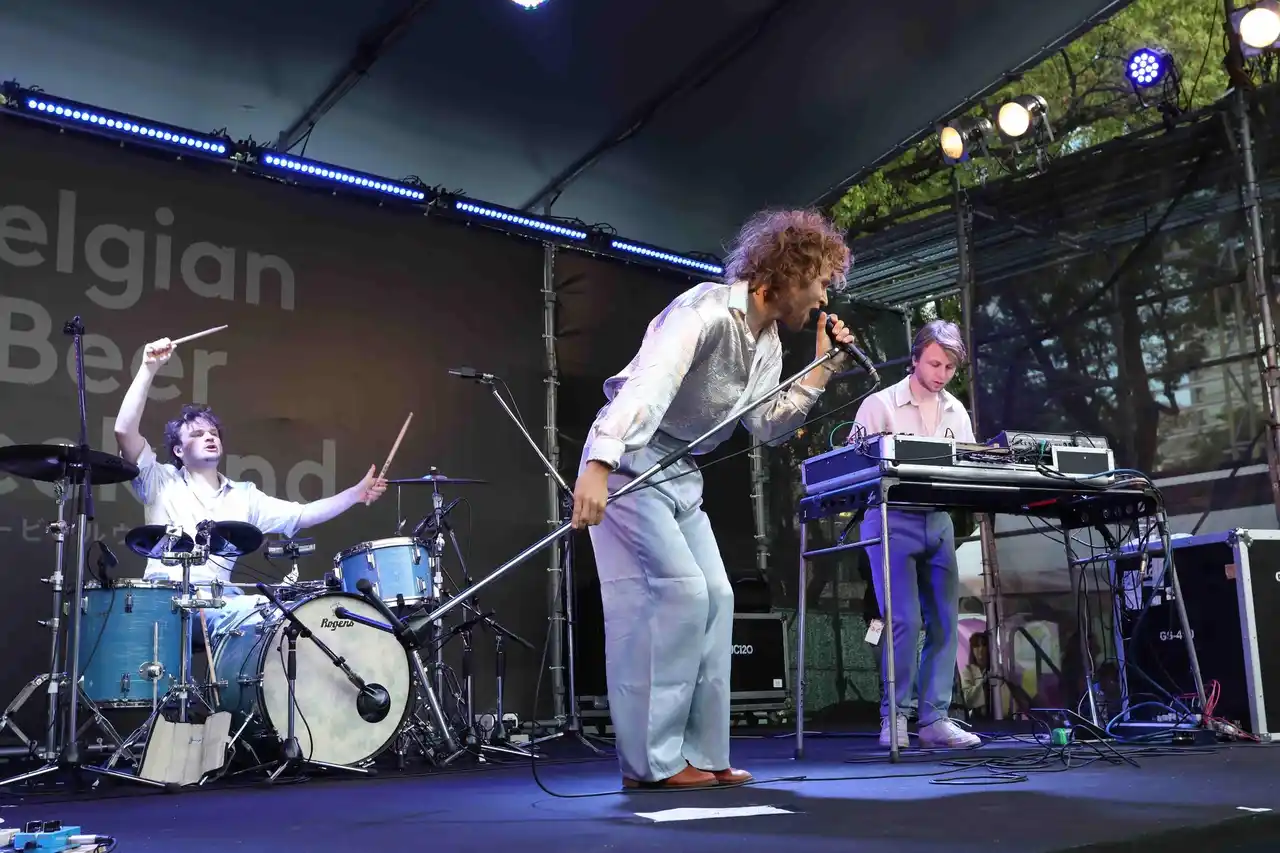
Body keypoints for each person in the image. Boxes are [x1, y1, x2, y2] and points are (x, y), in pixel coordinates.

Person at [571, 209, 857, 791]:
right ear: (789, 272)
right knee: (680, 593)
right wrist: (599, 464)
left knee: (719, 596)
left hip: (680, 471)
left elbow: (768, 424)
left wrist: (823, 367)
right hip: (631, 460)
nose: (825, 297)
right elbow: (649, 386)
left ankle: (704, 753)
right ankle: (652, 763)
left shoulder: (769, 343)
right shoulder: (703, 311)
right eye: (822, 281)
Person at [113, 336, 388, 639]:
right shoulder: (160, 481)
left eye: (213, 433)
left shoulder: (244, 495)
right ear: (178, 450)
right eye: (197, 434)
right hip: (164, 604)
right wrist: (148, 368)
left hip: (221, 605)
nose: (209, 437)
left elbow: (303, 514)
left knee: (278, 613)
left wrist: (355, 494)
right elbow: (124, 430)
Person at [850, 319, 983, 749]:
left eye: (949, 367)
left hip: (937, 519)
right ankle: (895, 717)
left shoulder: (956, 410)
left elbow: (968, 466)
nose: (942, 374)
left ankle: (934, 719)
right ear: (915, 359)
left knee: (945, 621)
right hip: (890, 518)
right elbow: (854, 470)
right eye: (934, 364)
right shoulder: (880, 404)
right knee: (904, 620)